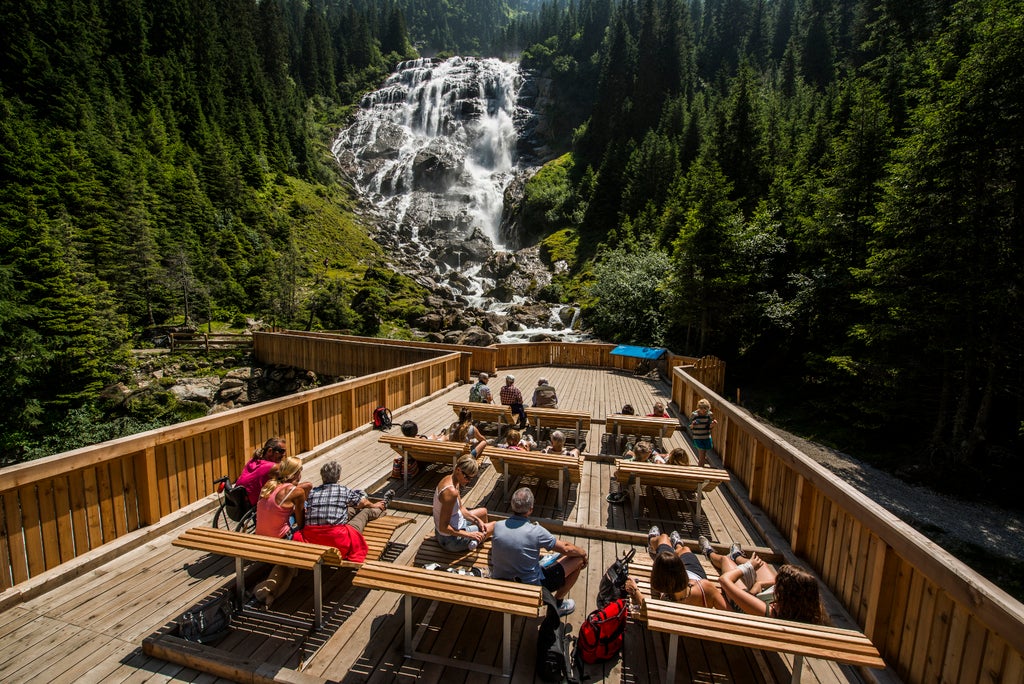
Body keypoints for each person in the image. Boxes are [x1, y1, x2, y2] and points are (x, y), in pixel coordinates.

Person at [490, 487, 588, 616]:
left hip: (501, 580)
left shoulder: (498, 526)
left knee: (555, 557)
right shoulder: (536, 531)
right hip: (531, 587)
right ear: (530, 509)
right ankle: (558, 603)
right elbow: (566, 548)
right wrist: (583, 553)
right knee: (577, 559)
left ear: (512, 506)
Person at [703, 535, 823, 623]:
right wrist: (760, 583)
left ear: (786, 593)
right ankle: (737, 556)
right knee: (762, 565)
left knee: (725, 560)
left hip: (743, 602)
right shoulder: (805, 608)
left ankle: (709, 553)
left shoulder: (768, 612)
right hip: (762, 598)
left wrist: (748, 568)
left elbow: (724, 581)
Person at [300, 461, 394, 562]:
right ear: (338, 476)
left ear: (322, 477)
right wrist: (373, 504)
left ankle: (372, 505)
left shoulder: (312, 492)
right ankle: (381, 507)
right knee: (365, 511)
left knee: (350, 508)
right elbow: (363, 503)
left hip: (312, 538)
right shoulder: (343, 490)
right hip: (337, 540)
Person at [251, 456, 313, 608]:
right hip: (279, 539)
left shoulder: (269, 485)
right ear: (296, 473)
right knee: (289, 564)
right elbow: (301, 522)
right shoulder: (296, 492)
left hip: (259, 536)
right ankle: (271, 590)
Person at [623, 526, 728, 610]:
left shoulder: (665, 602)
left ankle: (652, 540)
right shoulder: (706, 588)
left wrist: (635, 589)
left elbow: (645, 607)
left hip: (677, 581)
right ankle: (678, 545)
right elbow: (730, 614)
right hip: (695, 578)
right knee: (685, 549)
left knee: (663, 538)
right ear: (682, 571)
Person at [433, 456, 494, 552]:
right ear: (458, 470)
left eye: (472, 478)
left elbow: (460, 509)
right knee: (494, 525)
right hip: (450, 540)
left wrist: (477, 521)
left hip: (449, 529)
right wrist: (470, 535)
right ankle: (477, 541)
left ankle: (478, 538)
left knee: (483, 512)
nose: (468, 481)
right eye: (467, 477)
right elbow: (443, 527)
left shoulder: (451, 480)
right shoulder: (451, 492)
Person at [236, 437, 287, 506]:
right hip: (251, 503)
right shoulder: (273, 467)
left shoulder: (253, 460)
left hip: (238, 498)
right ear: (270, 451)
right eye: (282, 451)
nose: (284, 454)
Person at [689, 398, 718, 467]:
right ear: (699, 408)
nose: (704, 411)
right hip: (698, 438)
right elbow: (690, 427)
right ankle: (700, 471)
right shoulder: (694, 415)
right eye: (702, 408)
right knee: (702, 457)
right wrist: (693, 425)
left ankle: (701, 468)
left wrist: (713, 424)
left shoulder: (709, 414)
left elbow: (709, 427)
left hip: (706, 437)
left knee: (703, 455)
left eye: (706, 409)